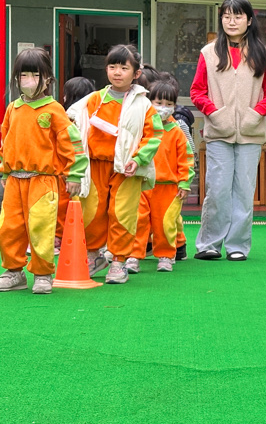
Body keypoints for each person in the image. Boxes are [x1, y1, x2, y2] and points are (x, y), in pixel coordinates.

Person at [190, 0, 266, 261]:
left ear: (249, 20)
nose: (232, 21)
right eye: (227, 16)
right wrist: (215, 114)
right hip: (219, 132)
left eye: (238, 16)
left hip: (250, 135)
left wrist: (255, 115)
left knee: (243, 190)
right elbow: (197, 91)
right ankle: (209, 244)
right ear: (221, 19)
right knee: (217, 189)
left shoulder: (263, 54)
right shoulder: (208, 53)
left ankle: (237, 246)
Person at [0, 48, 87, 294]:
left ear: (47, 78)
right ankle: (13, 271)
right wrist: (5, 172)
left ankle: (42, 273)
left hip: (44, 180)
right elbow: (5, 141)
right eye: (23, 75)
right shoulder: (13, 108)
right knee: (9, 227)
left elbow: (72, 143)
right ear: (16, 78)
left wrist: (74, 174)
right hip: (14, 180)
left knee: (41, 227)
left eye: (35, 75)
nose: (29, 80)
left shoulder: (54, 109)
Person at [75, 44, 163, 284]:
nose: (117, 72)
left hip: (126, 168)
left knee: (122, 213)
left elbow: (154, 135)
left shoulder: (143, 104)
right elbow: (74, 124)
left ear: (136, 73)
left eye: (124, 68)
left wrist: (138, 159)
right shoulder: (94, 99)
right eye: (112, 66)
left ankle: (118, 261)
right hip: (95, 165)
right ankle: (94, 255)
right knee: (91, 211)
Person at [127, 79, 194, 274]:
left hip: (167, 186)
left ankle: (165, 255)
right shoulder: (141, 128)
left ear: (175, 106)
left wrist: (184, 182)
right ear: (149, 102)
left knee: (165, 222)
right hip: (141, 183)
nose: (163, 108)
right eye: (158, 103)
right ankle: (133, 256)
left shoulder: (176, 132)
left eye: (169, 104)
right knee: (138, 220)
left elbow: (186, 159)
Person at [54, 76, 95, 251]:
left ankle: (59, 237)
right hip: (89, 167)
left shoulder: (67, 118)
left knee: (63, 203)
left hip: (65, 169)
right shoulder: (93, 116)